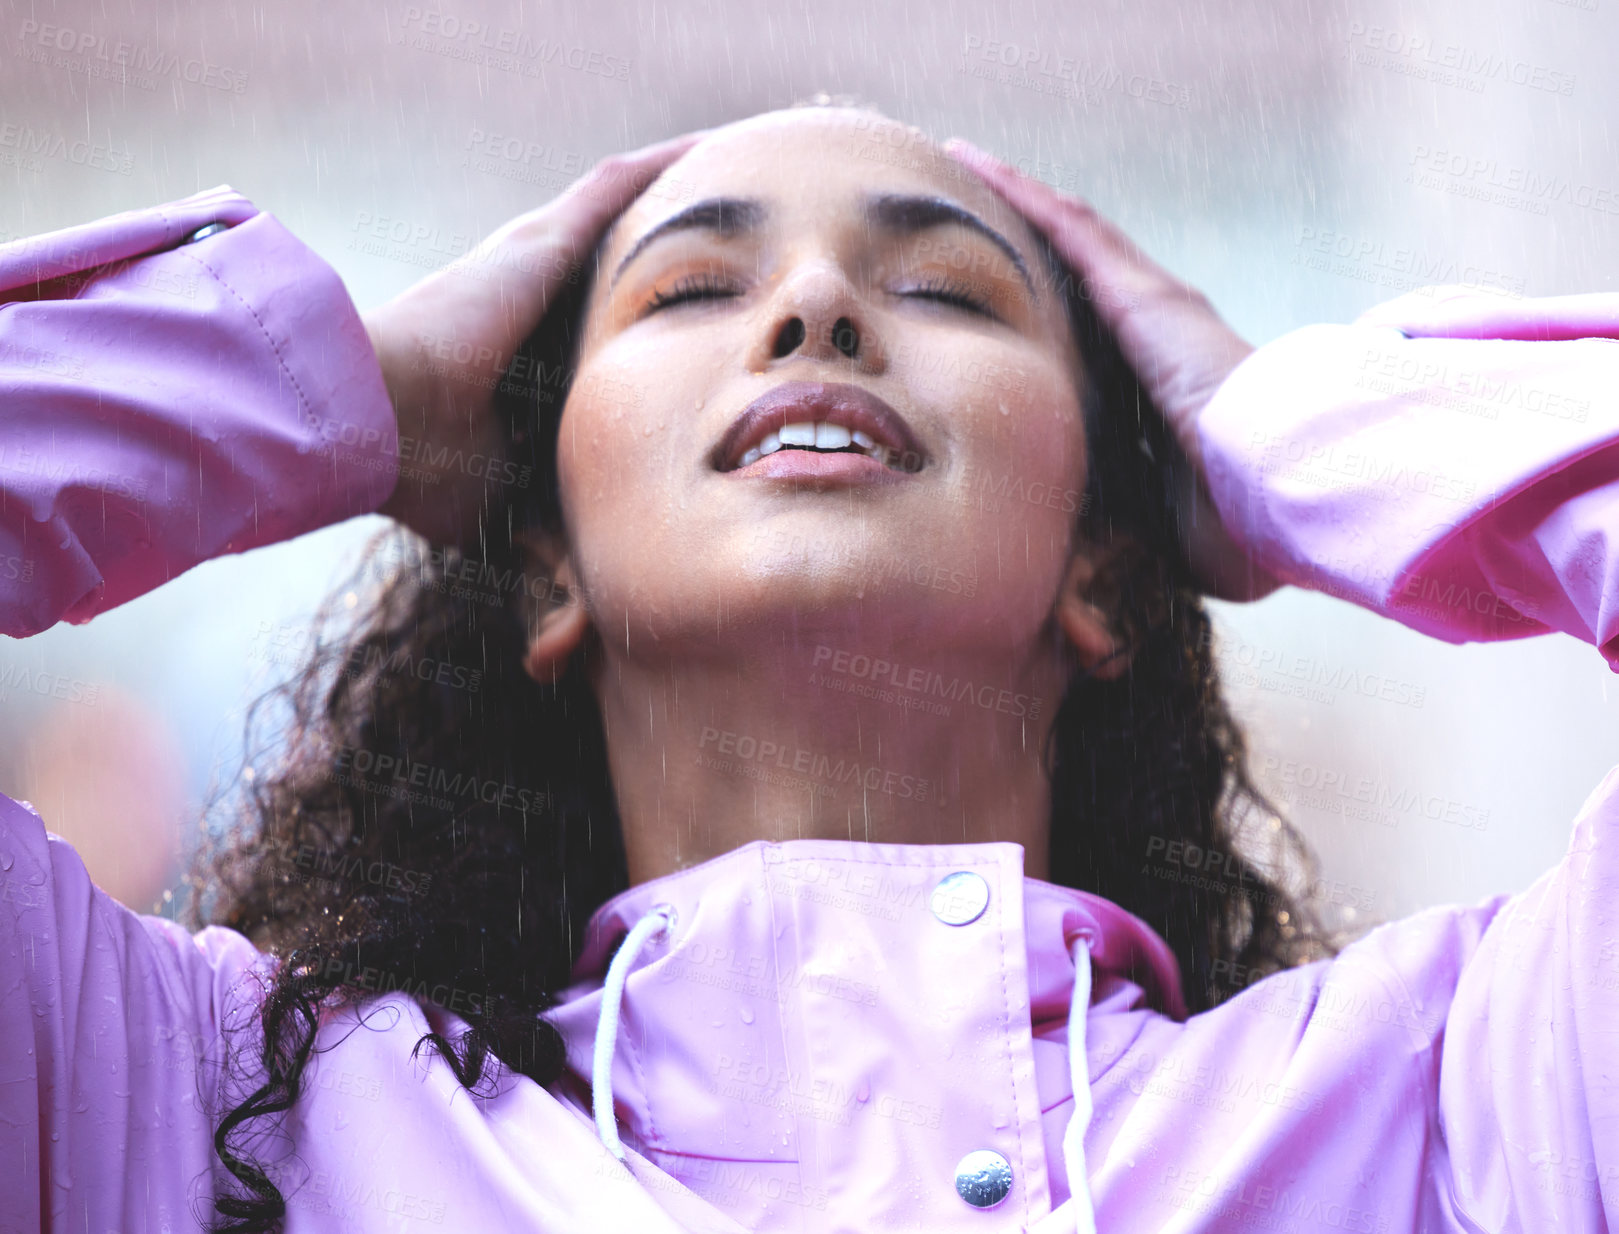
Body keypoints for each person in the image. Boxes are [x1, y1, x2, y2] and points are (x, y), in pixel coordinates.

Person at [1, 106, 1616, 1234]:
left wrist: (1282, 429)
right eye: (692, 288)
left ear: (1105, 568)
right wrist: (342, 380)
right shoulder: (186, 1118)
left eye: (945, 289)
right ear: (545, 563)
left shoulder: (1448, 1110)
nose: (818, 305)